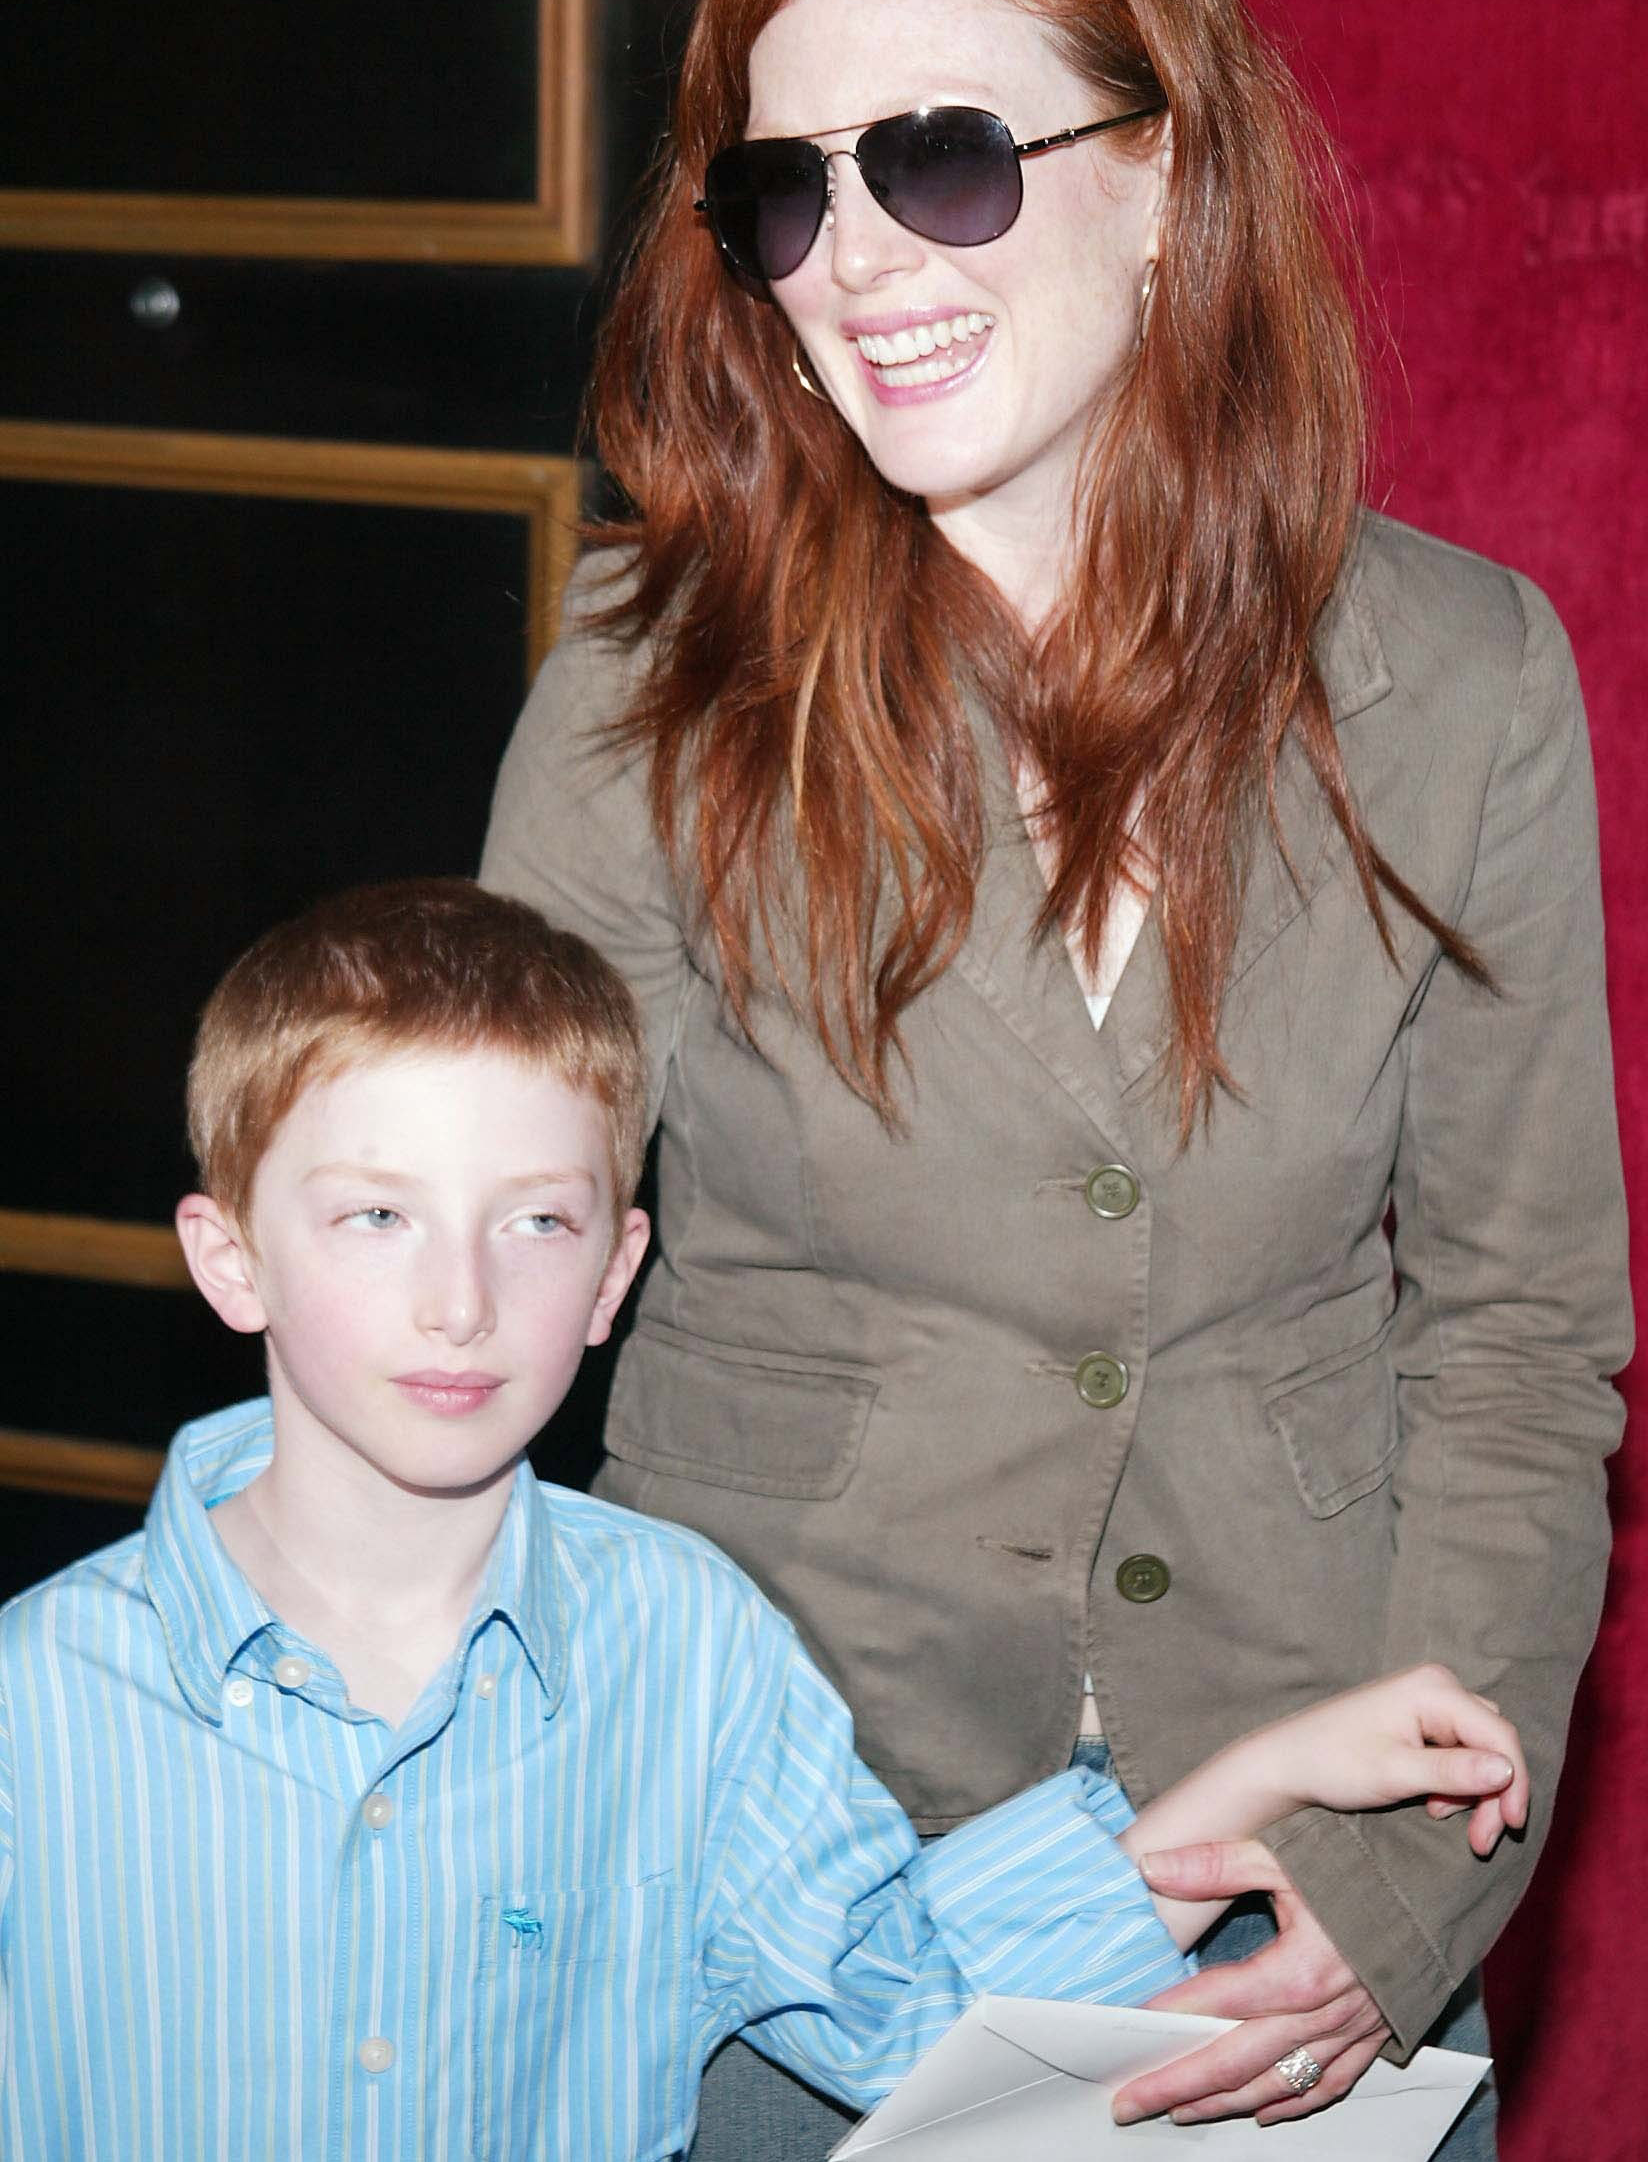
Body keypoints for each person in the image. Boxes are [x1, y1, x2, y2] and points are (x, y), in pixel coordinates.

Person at [479, 0, 1633, 2161]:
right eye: (783, 191)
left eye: (943, 158)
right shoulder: (640, 677)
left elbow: (1519, 1343)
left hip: (1288, 1897)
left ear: (1168, 169)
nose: (852, 258)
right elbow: (465, 1289)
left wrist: (1395, 1887)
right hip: (775, 1887)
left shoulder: (1461, 671)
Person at [0, 876, 1527, 2160]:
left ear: (615, 1274)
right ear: (230, 1256)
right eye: (376, 1215)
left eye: (535, 1219)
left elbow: (910, 2000)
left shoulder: (694, 1644)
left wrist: (1264, 1772)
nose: (461, 1297)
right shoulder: (38, 1705)